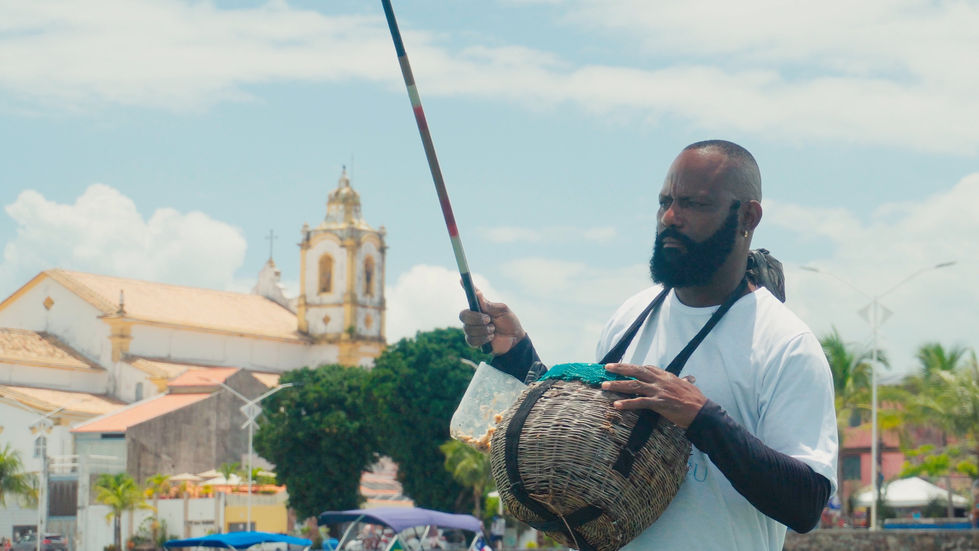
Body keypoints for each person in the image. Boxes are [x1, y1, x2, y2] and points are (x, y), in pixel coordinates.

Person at [460, 140, 838, 551]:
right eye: (665, 202)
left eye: (694, 204)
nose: (671, 218)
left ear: (748, 216)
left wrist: (701, 418)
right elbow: (593, 442)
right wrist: (517, 353)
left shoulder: (786, 345)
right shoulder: (630, 316)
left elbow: (806, 505)